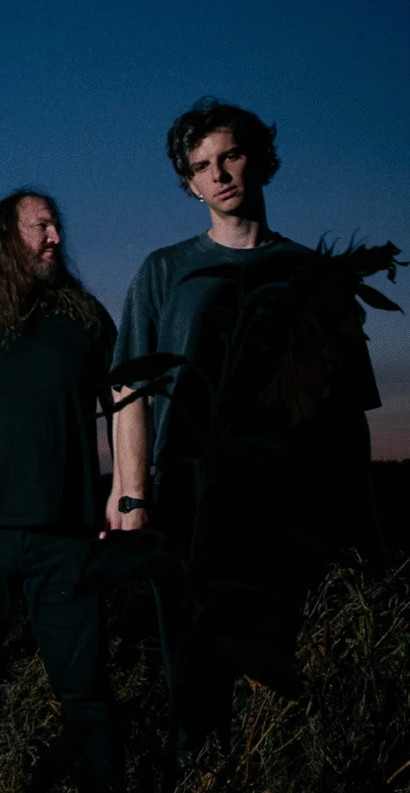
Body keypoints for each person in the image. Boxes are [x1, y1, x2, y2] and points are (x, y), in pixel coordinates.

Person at [107, 98, 381, 758]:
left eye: (228, 156)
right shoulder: (165, 271)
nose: (219, 174)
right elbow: (129, 389)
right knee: (194, 677)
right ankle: (202, 787)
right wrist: (131, 497)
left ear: (256, 158)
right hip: (189, 501)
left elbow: (346, 407)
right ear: (190, 183)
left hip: (286, 501)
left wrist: (358, 510)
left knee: (286, 667)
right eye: (201, 166)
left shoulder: (310, 274)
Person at [0, 190, 121, 793]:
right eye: (40, 226)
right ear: (4, 238)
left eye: (56, 226)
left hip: (68, 535)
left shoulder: (85, 318)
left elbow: (124, 401)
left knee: (85, 688)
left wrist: (127, 492)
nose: (55, 236)